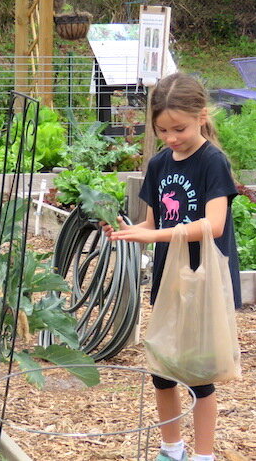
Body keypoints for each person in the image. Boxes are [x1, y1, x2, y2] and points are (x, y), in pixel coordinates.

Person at [103, 72, 241, 461]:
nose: (170, 138)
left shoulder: (213, 162)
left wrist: (155, 236)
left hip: (203, 280)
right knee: (162, 368)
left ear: (201, 115)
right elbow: (152, 224)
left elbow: (212, 226)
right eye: (162, 130)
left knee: (198, 374)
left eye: (178, 128)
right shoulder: (160, 163)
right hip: (168, 278)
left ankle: (203, 455)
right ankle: (171, 449)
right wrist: (127, 231)